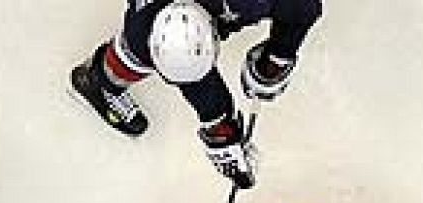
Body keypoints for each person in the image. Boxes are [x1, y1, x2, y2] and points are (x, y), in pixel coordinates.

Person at [69, 0, 325, 188]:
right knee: (135, 49)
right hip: (158, 17)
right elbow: (194, 78)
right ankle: (98, 81)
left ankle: (109, 76)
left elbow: (303, 9)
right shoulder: (145, 25)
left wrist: (277, 57)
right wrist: (219, 127)